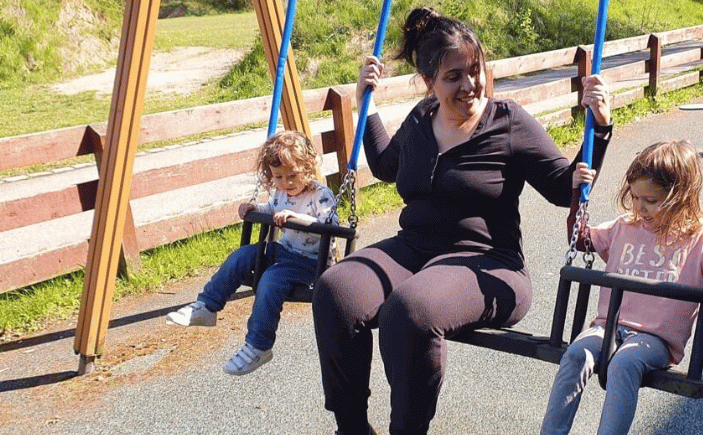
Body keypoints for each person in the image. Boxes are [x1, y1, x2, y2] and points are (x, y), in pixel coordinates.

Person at [311, 7, 612, 435]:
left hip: (489, 262)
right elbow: (385, 165)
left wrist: (599, 129)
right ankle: (351, 427)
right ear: (429, 81)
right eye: (454, 77)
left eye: (475, 71)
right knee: (335, 289)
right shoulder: (420, 118)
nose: (470, 85)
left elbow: (565, 190)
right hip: (415, 250)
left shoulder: (508, 122)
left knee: (411, 308)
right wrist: (367, 104)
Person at [539, 141, 703, 435]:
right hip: (608, 328)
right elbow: (580, 240)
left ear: (681, 197)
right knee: (576, 354)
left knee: (624, 362)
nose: (640, 207)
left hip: (656, 340)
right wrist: (577, 193)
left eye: (651, 200)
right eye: (635, 197)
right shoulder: (625, 226)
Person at [166, 130, 338, 376]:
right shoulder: (280, 192)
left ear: (308, 168)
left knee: (270, 280)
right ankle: (207, 307)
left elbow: (329, 224)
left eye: (292, 175)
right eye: (278, 176)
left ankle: (258, 346)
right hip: (283, 251)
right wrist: (254, 207)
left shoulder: (320, 195)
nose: (286, 182)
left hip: (311, 262)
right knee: (243, 255)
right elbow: (271, 207)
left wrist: (296, 218)